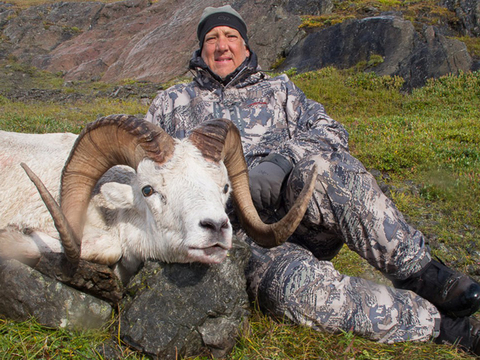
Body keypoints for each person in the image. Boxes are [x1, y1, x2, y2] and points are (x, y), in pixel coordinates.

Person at [145, 5, 480, 355]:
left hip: (300, 213)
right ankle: (443, 326)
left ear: (245, 46)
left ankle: (421, 273)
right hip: (238, 237)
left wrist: (280, 162)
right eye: (211, 38)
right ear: (200, 51)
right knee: (293, 291)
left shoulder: (280, 91)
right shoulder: (170, 103)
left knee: (327, 166)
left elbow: (331, 130)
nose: (222, 45)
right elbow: (150, 171)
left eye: (231, 36)